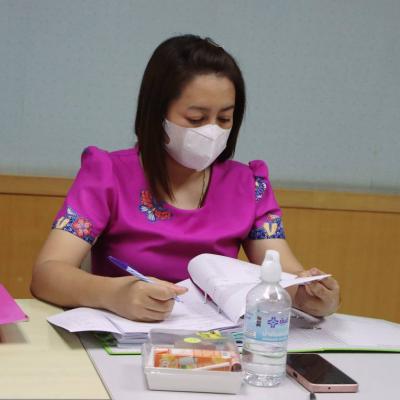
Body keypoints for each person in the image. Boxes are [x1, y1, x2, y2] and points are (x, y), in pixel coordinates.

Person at [31, 34, 340, 322]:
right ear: (157, 114)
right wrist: (113, 294)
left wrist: (311, 296)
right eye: (196, 118)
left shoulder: (249, 185)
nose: (212, 130)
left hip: (217, 344)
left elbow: (285, 276)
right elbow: (46, 274)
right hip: (125, 338)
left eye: (224, 118)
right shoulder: (107, 174)